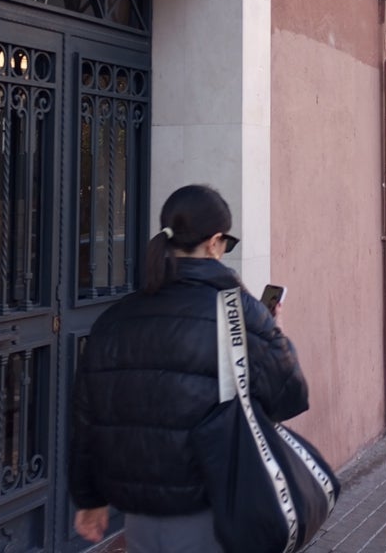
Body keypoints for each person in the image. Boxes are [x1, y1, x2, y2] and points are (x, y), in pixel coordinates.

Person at [68, 184, 309, 552]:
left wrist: (89, 498)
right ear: (214, 242)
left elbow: (85, 419)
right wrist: (273, 334)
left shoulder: (115, 318)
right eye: (227, 243)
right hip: (211, 510)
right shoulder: (240, 312)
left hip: (139, 514)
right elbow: (289, 397)